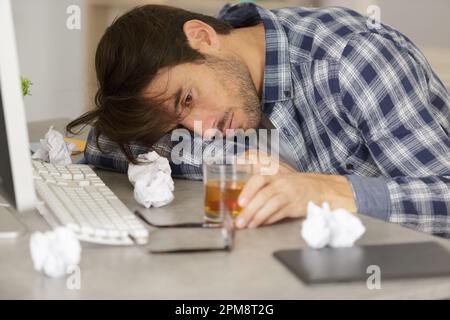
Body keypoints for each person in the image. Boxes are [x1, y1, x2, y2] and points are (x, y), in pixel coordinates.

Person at [67, 3, 450, 237]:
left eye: (187, 99)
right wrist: (231, 163)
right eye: (178, 127)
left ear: (202, 36)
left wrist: (325, 191)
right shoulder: (221, 84)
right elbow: (104, 144)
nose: (202, 130)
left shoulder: (353, 60)